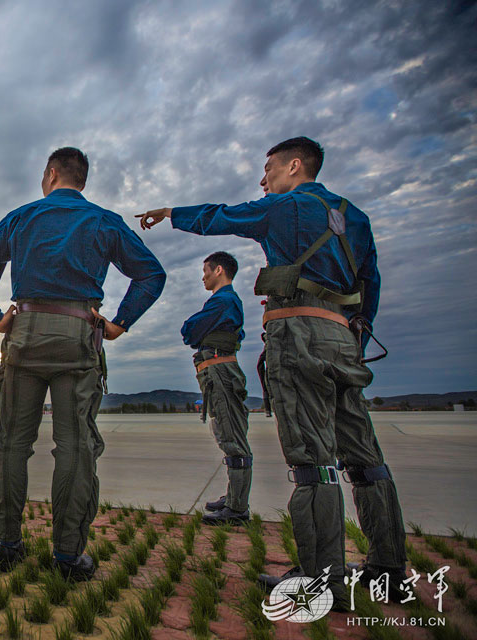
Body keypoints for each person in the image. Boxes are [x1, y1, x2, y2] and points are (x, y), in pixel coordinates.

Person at [136, 137, 405, 607]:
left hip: (299, 335)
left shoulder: (284, 207)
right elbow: (371, 285)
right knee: (365, 458)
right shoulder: (355, 217)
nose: (264, 181)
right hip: (344, 339)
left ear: (294, 166)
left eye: (269, 170)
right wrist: (353, 345)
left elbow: (222, 216)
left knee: (313, 460)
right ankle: (389, 569)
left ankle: (321, 582)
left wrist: (171, 213)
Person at [0, 147, 165, 581]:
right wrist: (120, 323)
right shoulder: (104, 221)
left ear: (52, 174)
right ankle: (68, 555)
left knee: (10, 443)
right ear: (82, 180)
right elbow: (151, 274)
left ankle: (8, 545)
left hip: (25, 333)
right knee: (75, 446)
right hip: (78, 334)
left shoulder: (22, 217)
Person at [181, 251, 252, 526]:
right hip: (218, 372)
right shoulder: (227, 302)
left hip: (220, 372)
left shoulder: (223, 301)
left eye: (206, 271)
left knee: (232, 437)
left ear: (219, 270)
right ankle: (234, 497)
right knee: (227, 432)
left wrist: (196, 330)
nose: (203, 277)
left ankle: (237, 509)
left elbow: (189, 331)